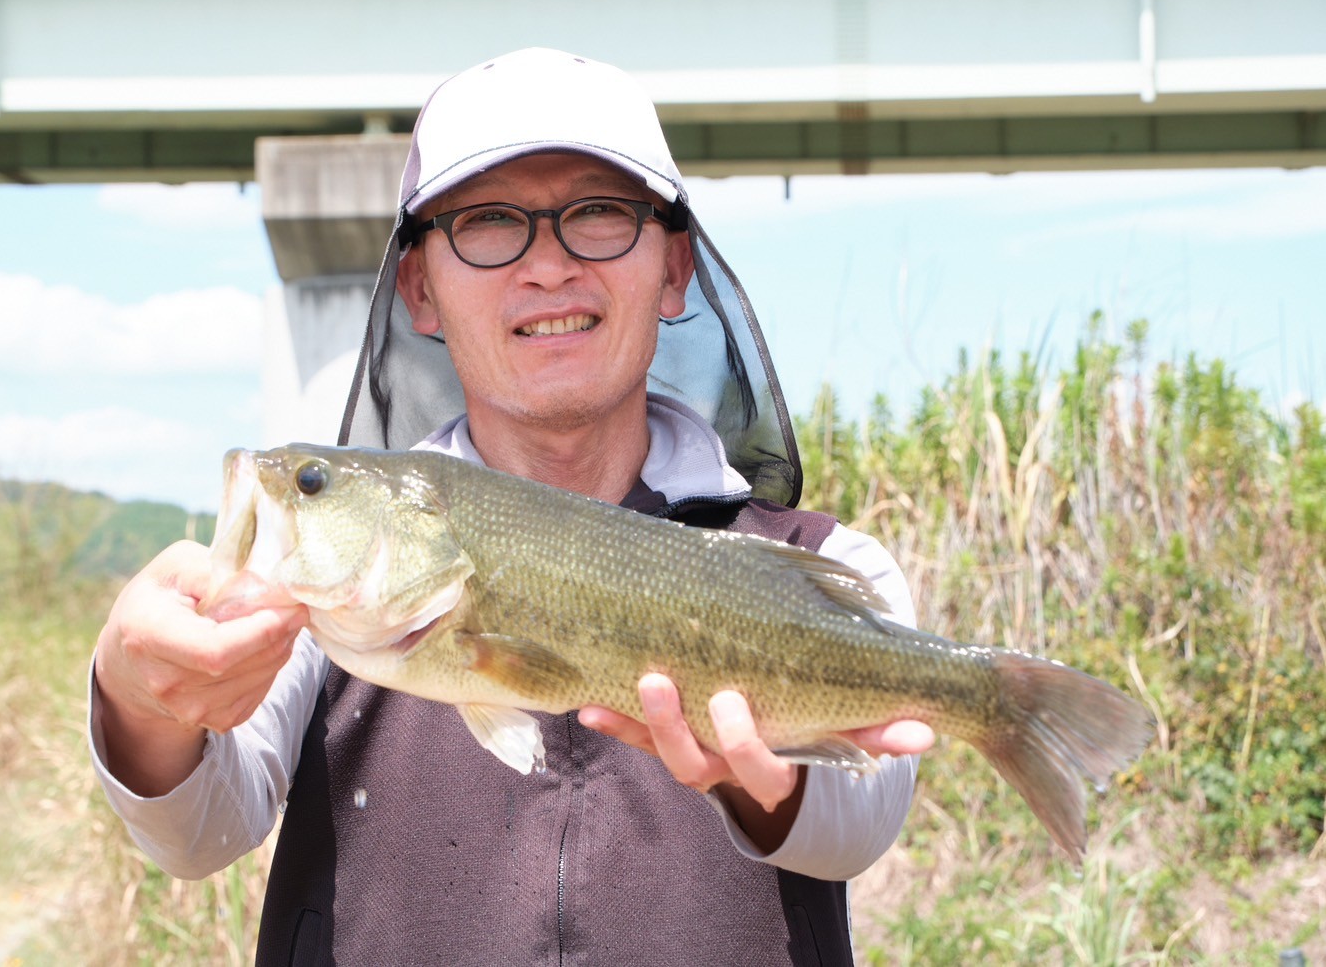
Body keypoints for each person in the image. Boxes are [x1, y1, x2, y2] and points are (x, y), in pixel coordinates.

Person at [90, 48, 933, 966]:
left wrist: (759, 781)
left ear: (674, 267)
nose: (546, 265)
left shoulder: (833, 564)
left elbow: (856, 824)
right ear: (420, 287)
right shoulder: (315, 592)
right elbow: (198, 832)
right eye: (489, 223)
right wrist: (140, 703)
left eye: (600, 213)